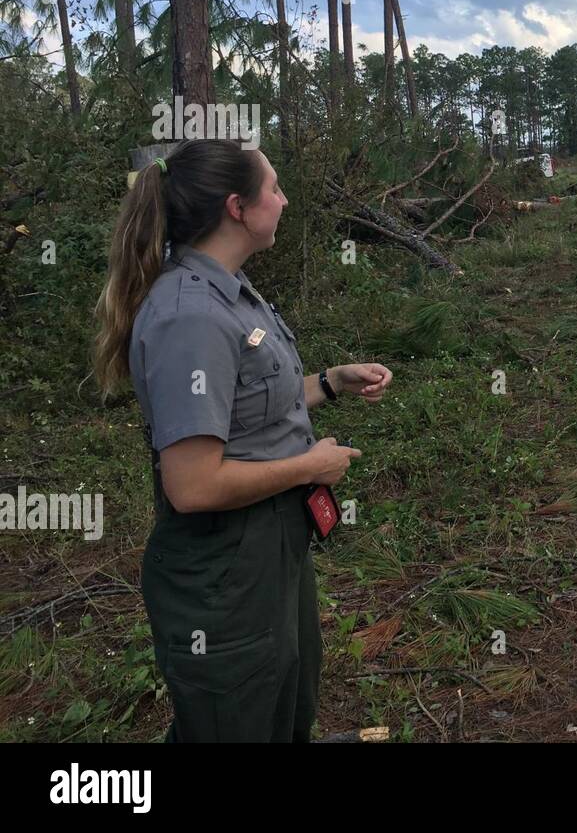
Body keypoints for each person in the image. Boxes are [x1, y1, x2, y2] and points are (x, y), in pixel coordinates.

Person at [92, 139, 393, 742]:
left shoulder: (230, 290)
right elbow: (193, 486)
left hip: (269, 547)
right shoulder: (191, 317)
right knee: (238, 717)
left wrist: (331, 383)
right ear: (237, 206)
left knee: (284, 701)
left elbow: (247, 407)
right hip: (226, 564)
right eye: (275, 188)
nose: (283, 200)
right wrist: (311, 464)